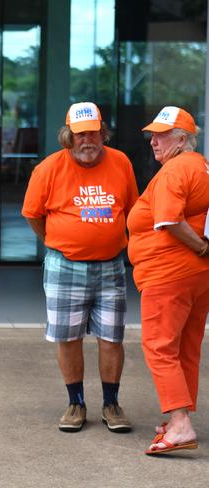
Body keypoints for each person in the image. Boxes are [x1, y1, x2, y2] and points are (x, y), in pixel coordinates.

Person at [22, 102, 139, 433]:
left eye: (93, 133)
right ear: (68, 137)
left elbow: (132, 210)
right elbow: (33, 214)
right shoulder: (48, 168)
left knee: (111, 337)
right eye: (80, 134)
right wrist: (59, 242)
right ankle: (75, 403)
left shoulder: (121, 163)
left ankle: (111, 404)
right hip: (65, 265)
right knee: (68, 337)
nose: (88, 140)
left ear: (103, 133)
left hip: (111, 266)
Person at [127, 107, 209, 455]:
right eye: (152, 135)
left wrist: (203, 249)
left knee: (160, 347)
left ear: (182, 139)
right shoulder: (202, 166)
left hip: (169, 274)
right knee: (185, 348)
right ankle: (181, 416)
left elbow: (168, 221)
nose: (153, 141)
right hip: (195, 278)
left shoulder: (176, 169)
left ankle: (178, 424)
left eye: (162, 135)